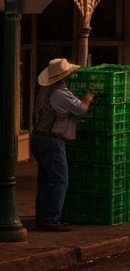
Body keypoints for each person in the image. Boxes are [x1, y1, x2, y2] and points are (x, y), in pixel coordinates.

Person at [32, 58, 92, 232]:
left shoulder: (44, 91)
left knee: (45, 179)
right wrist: (87, 99)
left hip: (38, 138)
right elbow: (80, 109)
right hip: (52, 140)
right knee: (59, 179)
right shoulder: (60, 93)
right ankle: (51, 218)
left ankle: (43, 217)